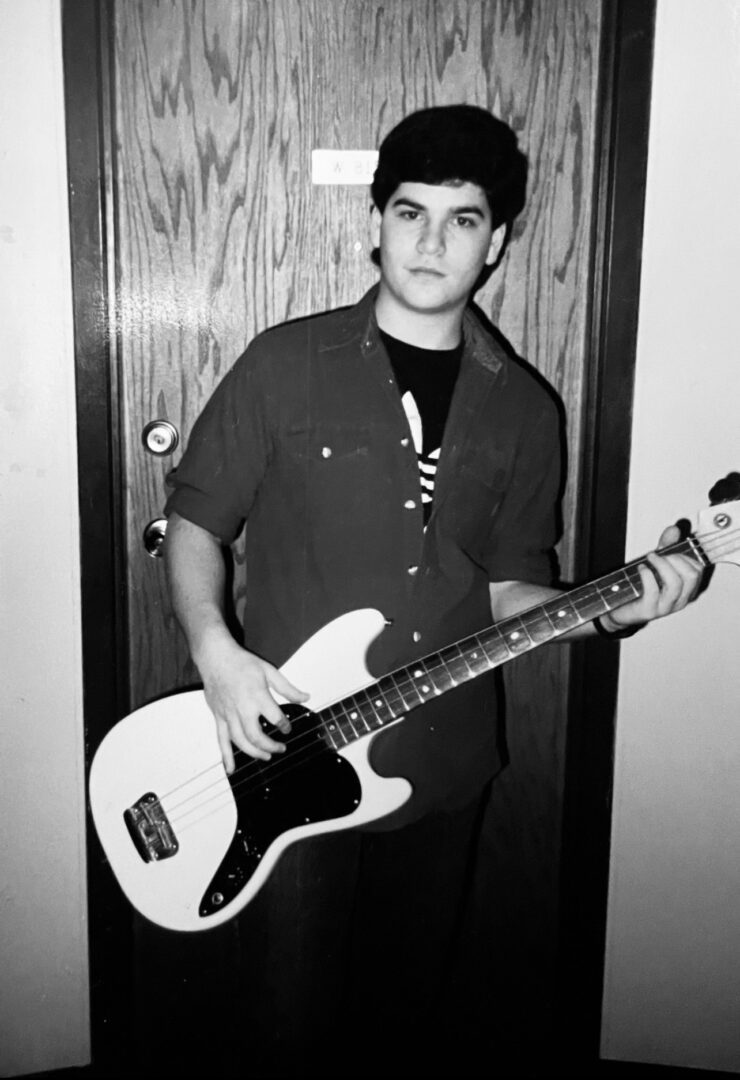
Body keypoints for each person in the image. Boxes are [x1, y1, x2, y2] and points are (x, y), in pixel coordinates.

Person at [162, 105, 702, 1077]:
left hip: (438, 768)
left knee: (398, 1025)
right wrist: (216, 655)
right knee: (285, 1027)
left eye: (460, 220)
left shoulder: (526, 410)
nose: (429, 240)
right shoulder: (283, 365)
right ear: (375, 220)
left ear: (493, 242)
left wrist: (611, 607)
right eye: (409, 212)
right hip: (284, 762)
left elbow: (506, 593)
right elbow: (196, 521)